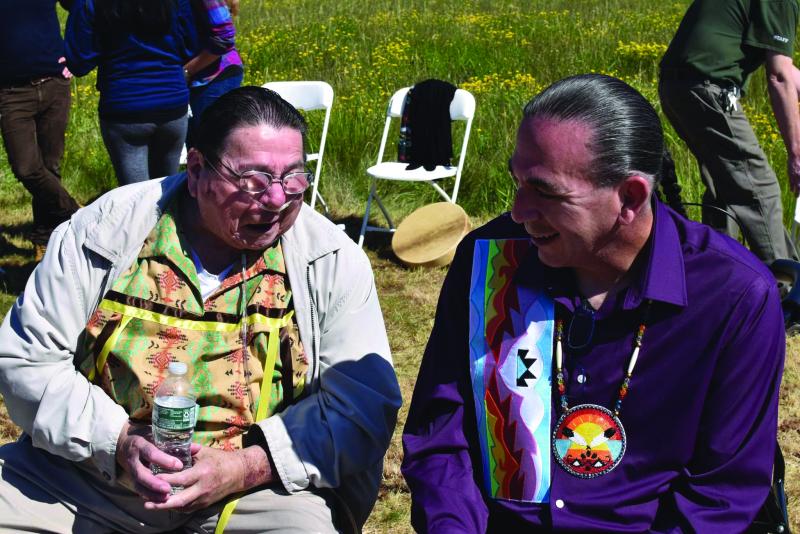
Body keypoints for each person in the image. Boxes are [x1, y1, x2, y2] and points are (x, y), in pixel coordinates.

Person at [0, 86, 401, 533]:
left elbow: (363, 405)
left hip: (252, 492)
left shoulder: (330, 259)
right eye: (252, 179)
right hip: (88, 478)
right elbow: (27, 361)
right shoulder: (102, 231)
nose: (276, 200)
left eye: (293, 178)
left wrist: (246, 467)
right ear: (195, 170)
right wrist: (117, 442)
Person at [401, 74, 785, 532]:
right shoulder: (491, 262)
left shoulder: (734, 297)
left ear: (630, 198)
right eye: (517, 182)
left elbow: (722, 492)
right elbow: (442, 436)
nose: (519, 211)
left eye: (546, 191)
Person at [659, 0, 800, 264]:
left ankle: (719, 270)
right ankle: (787, 289)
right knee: (759, 188)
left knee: (724, 184)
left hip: (676, 86)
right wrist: (797, 152)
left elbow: (787, 71)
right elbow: (778, 76)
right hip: (707, 87)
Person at [65, 0, 198, 185]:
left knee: (135, 197)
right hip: (171, 101)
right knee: (168, 191)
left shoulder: (90, 4)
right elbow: (191, 46)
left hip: (124, 106)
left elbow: (78, 62)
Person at [0, 0, 81, 261]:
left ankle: (44, 239)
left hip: (54, 84)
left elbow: (81, 7)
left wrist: (75, 54)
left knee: (50, 166)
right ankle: (76, 212)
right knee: (26, 167)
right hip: (12, 92)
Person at [184, 0, 244, 148]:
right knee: (197, 144)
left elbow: (225, 38)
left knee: (212, 144)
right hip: (191, 75)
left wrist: (186, 71)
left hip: (216, 75)